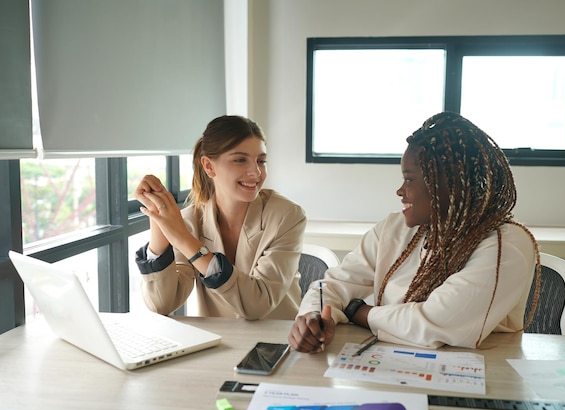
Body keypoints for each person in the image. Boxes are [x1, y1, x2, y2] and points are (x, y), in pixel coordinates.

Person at [288, 111, 541, 352]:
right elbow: (333, 284)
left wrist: (359, 312)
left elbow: (435, 322)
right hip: (393, 363)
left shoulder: (504, 244)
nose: (400, 190)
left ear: (450, 184)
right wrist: (313, 316)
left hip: (481, 376)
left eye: (409, 179)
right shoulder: (394, 228)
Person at [134, 115, 306, 320]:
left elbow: (257, 304)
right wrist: (157, 220)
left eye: (261, 161)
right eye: (240, 160)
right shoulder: (190, 221)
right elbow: (162, 304)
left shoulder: (286, 215)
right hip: (220, 345)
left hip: (279, 343)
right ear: (208, 166)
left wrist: (183, 239)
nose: (256, 172)